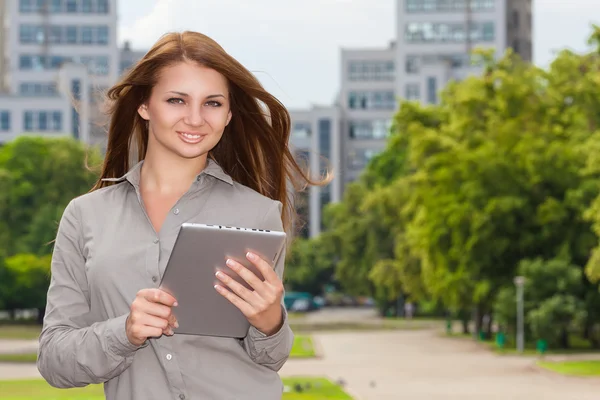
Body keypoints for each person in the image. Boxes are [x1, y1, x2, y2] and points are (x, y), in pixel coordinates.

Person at [37, 31, 323, 400]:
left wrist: (270, 323)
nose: (195, 119)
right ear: (144, 105)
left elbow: (270, 357)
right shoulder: (85, 215)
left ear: (229, 113)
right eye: (176, 100)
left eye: (213, 103)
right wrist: (125, 332)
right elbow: (55, 361)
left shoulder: (258, 212)